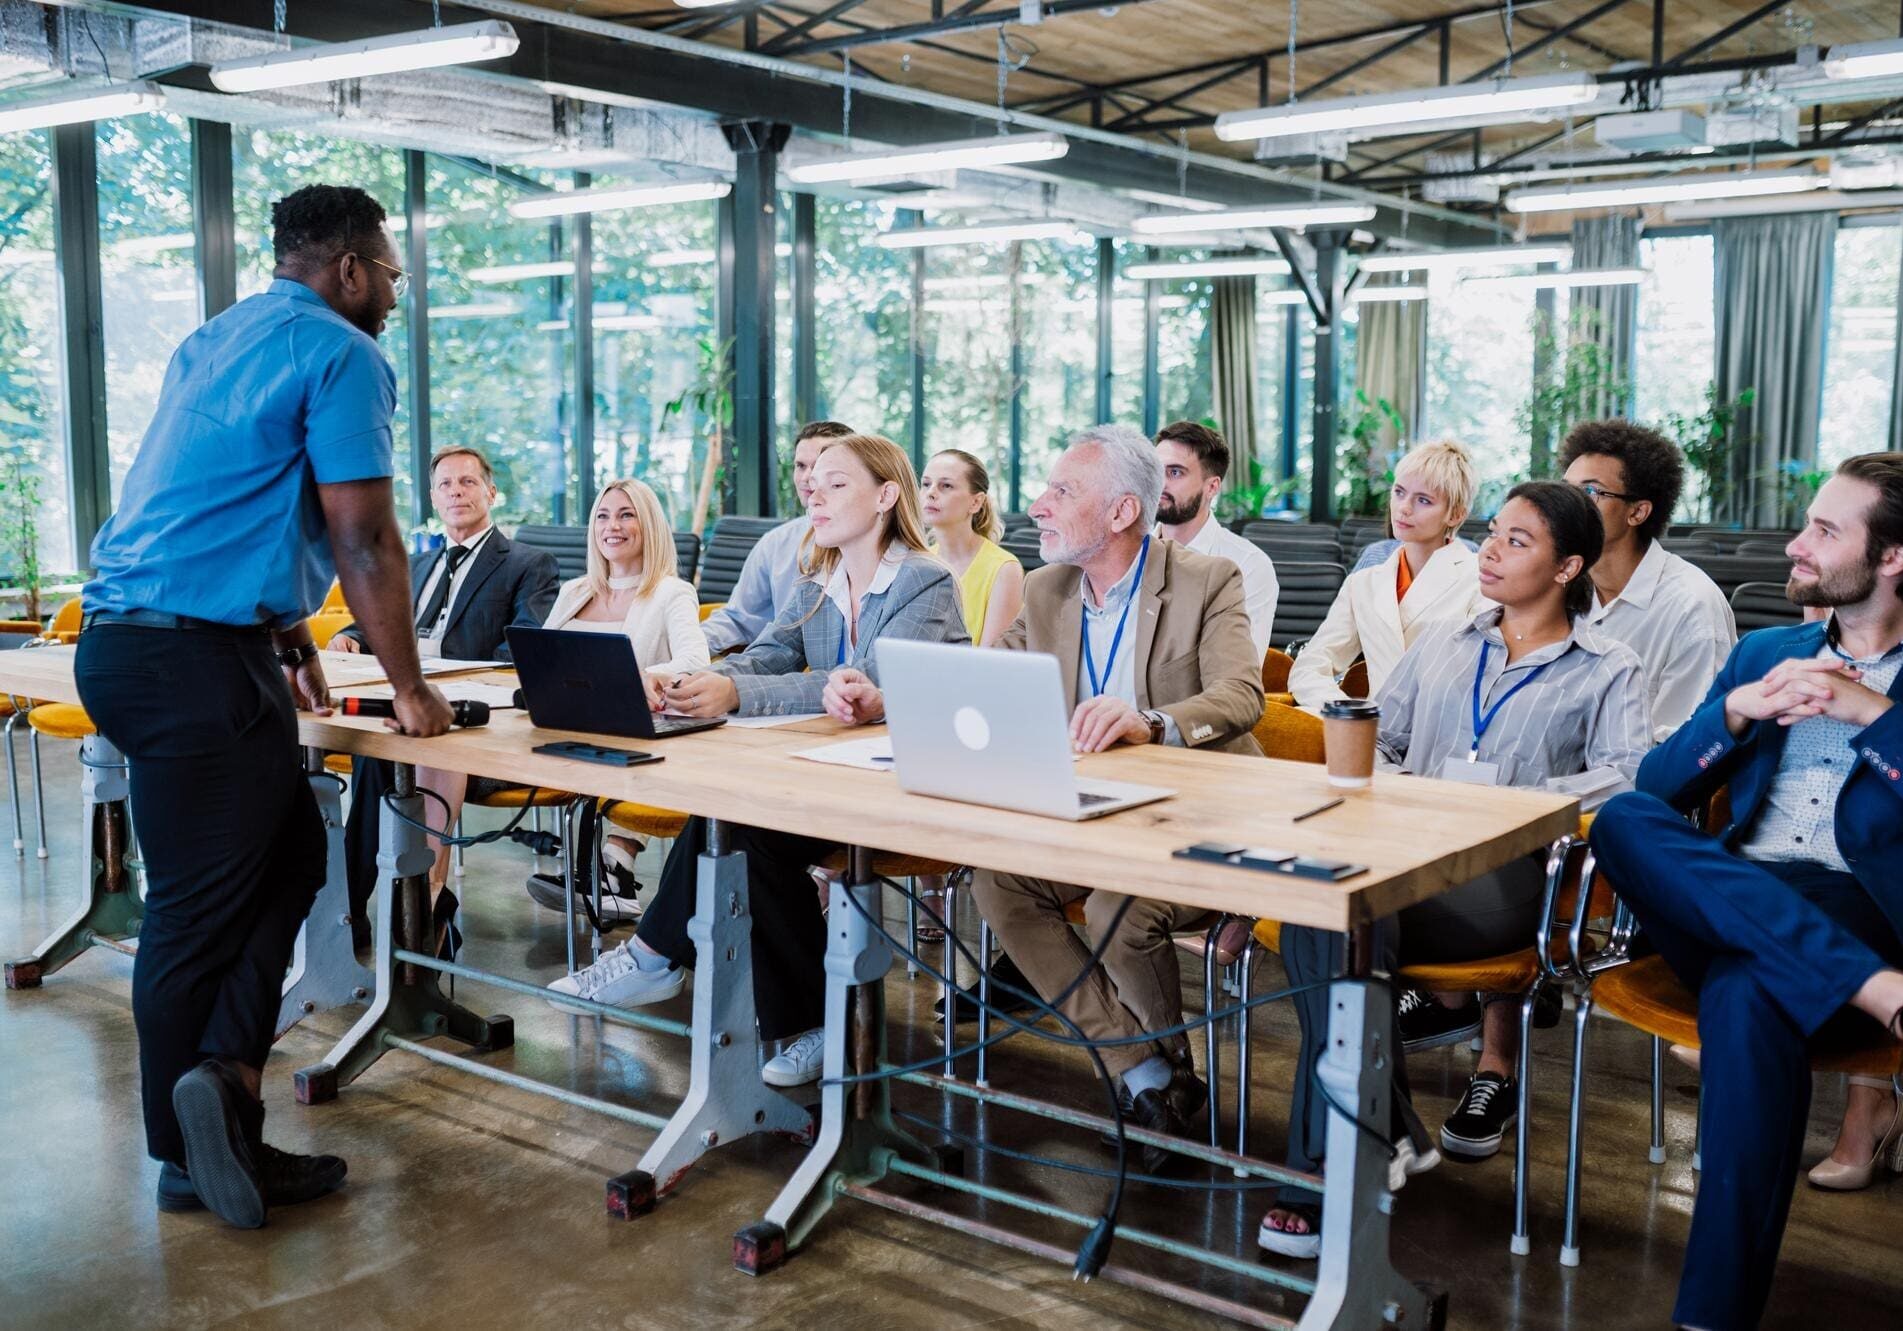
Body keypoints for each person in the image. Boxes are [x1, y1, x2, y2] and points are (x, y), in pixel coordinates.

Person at [74, 185, 453, 1230]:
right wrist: (411, 689)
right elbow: (363, 535)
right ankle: (187, 1150)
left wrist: (294, 646)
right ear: (347, 270)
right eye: (388, 272)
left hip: (140, 646)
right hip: (193, 662)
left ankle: (222, 1095)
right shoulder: (343, 353)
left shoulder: (218, 337)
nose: (389, 294)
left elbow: (223, 498)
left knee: (290, 859)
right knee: (195, 912)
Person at [828, 425, 1265, 1172]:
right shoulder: (1045, 587)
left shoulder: (1206, 579)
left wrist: (1151, 720)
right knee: (1000, 883)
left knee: (1113, 913)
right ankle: (1144, 1069)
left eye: (1062, 492)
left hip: (1186, 817)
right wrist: (887, 696)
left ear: (1122, 512)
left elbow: (1242, 694)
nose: (1037, 505)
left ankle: (1168, 1079)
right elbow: (980, 677)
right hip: (1085, 810)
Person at [1262, 481, 1649, 1259]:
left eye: (1517, 541)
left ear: (1568, 566)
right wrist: (1408, 785)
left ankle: (1319, 1171)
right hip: (1405, 853)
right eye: (1494, 532)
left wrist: (1513, 801)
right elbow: (1387, 743)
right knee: (1323, 913)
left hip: (1511, 877)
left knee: (1344, 922)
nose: (1491, 551)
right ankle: (1386, 1126)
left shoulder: (1608, 666)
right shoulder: (1444, 641)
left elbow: (1623, 776)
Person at [541, 433, 968, 1090]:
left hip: (909, 787)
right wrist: (681, 679)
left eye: (835, 484)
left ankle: (657, 959)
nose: (813, 494)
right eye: (811, 482)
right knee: (735, 822)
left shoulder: (923, 579)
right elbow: (768, 654)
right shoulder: (817, 575)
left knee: (747, 829)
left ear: (885, 496)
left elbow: (863, 684)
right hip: (833, 777)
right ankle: (803, 1020)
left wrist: (736, 691)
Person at [1588, 452, 1903, 1331]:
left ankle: (1709, 1318)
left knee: (1743, 992)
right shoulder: (1766, 650)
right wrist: (1737, 712)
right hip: (1733, 886)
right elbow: (1656, 793)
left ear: (1892, 558)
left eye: (1824, 530)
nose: (1796, 544)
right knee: (1620, 820)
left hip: (1857, 903)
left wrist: (1869, 715)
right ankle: (1882, 996)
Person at [328, 445, 558, 951]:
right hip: (404, 702)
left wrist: (447, 682)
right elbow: (376, 622)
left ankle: (357, 909)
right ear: (433, 498)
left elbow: (522, 649)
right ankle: (389, 908)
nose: (456, 492)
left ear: (491, 492)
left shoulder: (527, 563)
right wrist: (352, 636)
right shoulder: (416, 562)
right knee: (370, 748)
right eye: (446, 485)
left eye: (468, 482)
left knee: (376, 756)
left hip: (469, 715)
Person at [481, 477, 707, 923]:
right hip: (565, 722)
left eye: (626, 515)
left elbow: (695, 660)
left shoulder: (670, 592)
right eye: (603, 516)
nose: (612, 526)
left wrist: (641, 676)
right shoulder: (576, 590)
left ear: (649, 526)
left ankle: (610, 871)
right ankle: (598, 873)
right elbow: (546, 657)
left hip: (632, 730)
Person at [1559, 419, 1736, 740]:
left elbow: (1686, 743)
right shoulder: (1559, 583)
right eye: (1565, 489)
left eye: (1589, 491)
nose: (1568, 505)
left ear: (1637, 512)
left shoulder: (1691, 607)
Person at [1289, 439, 1486, 706]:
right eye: (1399, 492)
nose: (1404, 507)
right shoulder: (1363, 584)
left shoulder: (1480, 580)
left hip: (1444, 733)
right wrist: (1348, 713)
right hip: (1374, 733)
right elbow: (1310, 665)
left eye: (1424, 500)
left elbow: (1482, 676)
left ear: (1455, 515)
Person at [700, 419, 856, 653]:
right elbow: (739, 619)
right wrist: (683, 649)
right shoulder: (775, 543)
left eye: (820, 467)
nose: (807, 478)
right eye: (800, 466)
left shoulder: (868, 548)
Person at [1153, 420, 1279, 657]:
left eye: (1175, 472)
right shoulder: (1129, 553)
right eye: (1155, 471)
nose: (1160, 483)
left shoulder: (1247, 565)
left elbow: (1238, 672)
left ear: (1211, 487)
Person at [920, 448, 1023, 648]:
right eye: (926, 484)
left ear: (976, 502)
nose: (930, 493)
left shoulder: (1004, 569)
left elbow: (988, 662)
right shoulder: (918, 562)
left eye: (946, 485)